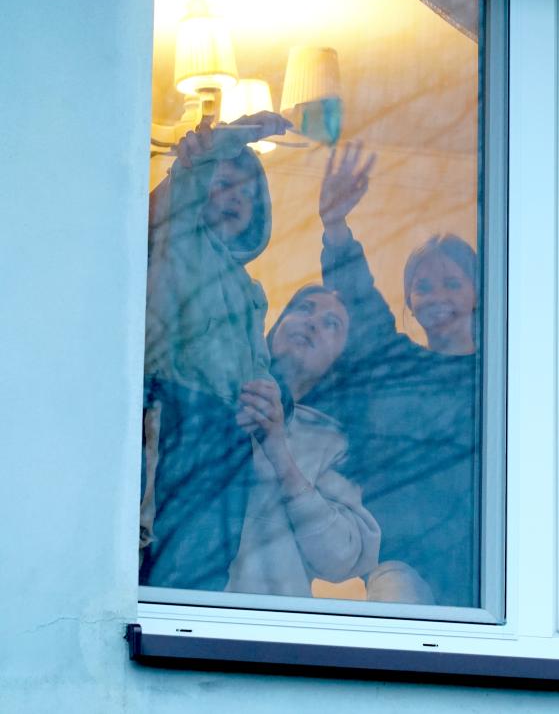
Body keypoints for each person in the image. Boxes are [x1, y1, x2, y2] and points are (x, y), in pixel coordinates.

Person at [307, 143, 480, 607]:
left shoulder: (499, 383)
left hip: (484, 571)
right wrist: (336, 226)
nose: (435, 295)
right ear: (408, 300)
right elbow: (359, 302)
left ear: (477, 293)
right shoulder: (396, 365)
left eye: (451, 282)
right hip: (403, 562)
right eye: (421, 287)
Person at [140, 112, 292, 591]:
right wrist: (228, 141)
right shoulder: (178, 246)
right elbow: (171, 207)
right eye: (224, 184)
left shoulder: (250, 289)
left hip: (230, 435)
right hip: (180, 412)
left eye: (248, 194)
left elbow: (256, 366)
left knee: (208, 564)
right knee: (166, 558)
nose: (236, 198)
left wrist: (266, 393)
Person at [226, 285, 381, 597]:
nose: (312, 322)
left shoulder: (334, 443)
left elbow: (341, 557)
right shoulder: (222, 385)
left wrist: (279, 453)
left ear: (341, 360)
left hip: (261, 631)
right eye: (304, 308)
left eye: (331, 324)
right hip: (177, 607)